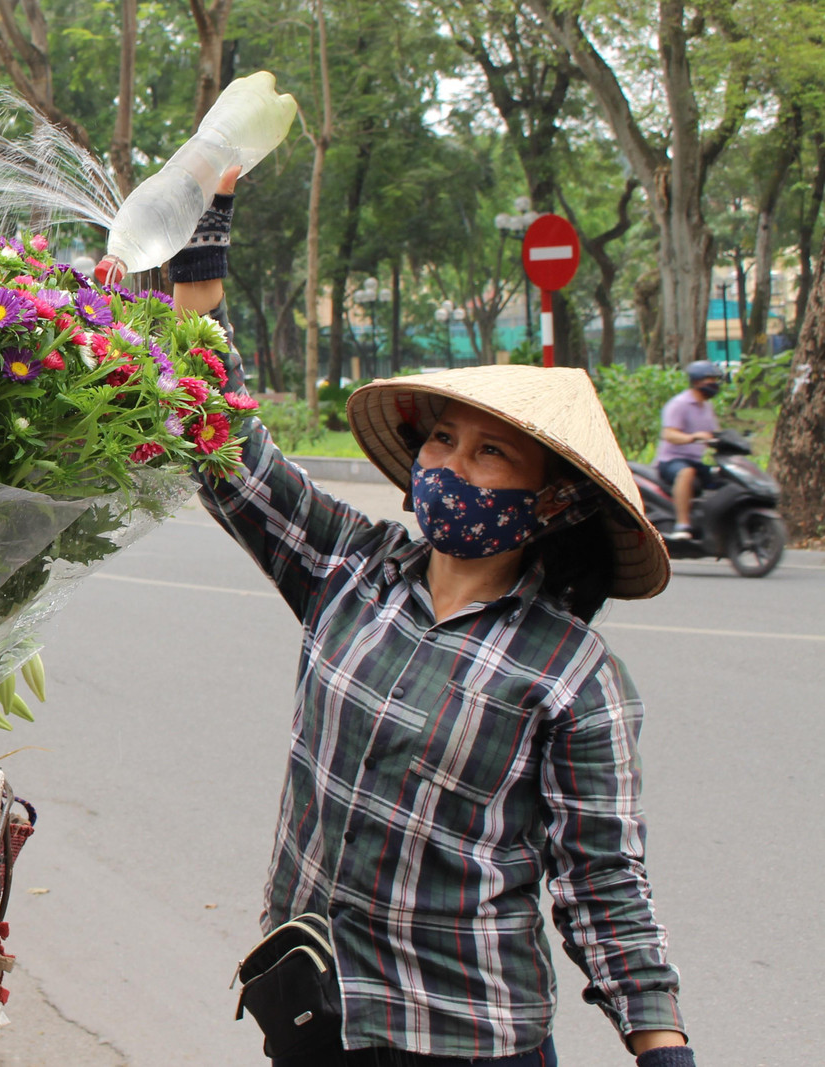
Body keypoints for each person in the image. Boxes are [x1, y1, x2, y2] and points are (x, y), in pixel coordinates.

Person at [169, 174, 695, 1067]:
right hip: (317, 1010)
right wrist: (201, 251)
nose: (449, 464)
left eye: (491, 452)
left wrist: (663, 1045)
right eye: (443, 439)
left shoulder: (571, 674)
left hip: (464, 1037)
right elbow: (226, 444)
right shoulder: (354, 569)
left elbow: (603, 878)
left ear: (554, 501)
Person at [654, 360, 722, 539]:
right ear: (697, 381)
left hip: (695, 459)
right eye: (710, 379)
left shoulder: (707, 407)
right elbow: (669, 434)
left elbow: (714, 433)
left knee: (722, 477)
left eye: (716, 380)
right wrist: (693, 437)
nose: (715, 384)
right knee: (687, 472)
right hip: (671, 460)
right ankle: (682, 525)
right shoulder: (679, 404)